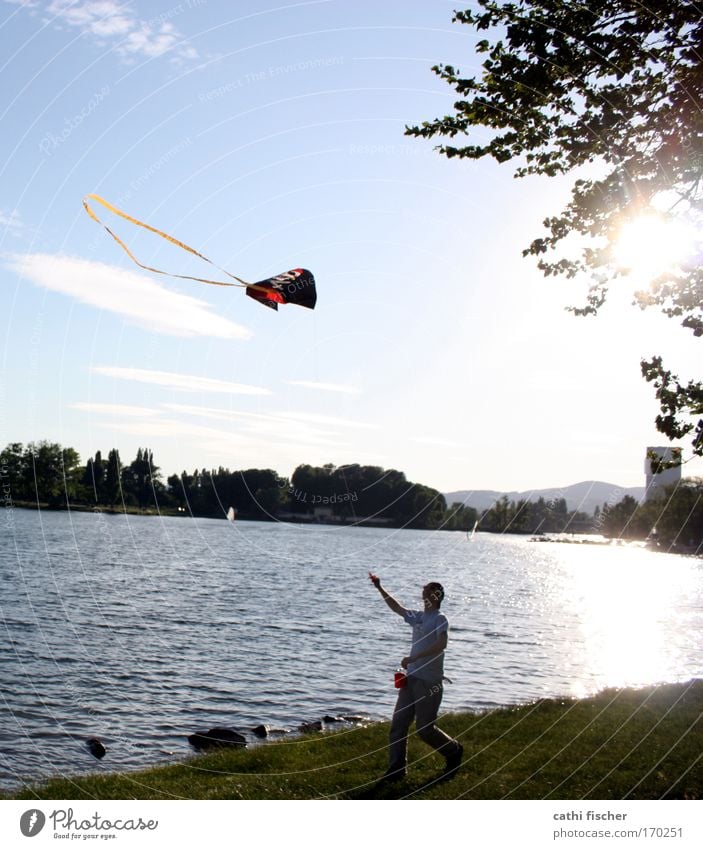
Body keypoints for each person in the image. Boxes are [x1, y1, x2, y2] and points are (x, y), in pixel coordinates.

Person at [369, 572, 463, 782]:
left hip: (430, 683)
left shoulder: (440, 619)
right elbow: (397, 607)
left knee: (424, 729)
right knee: (398, 725)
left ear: (436, 595)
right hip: (411, 680)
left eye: (427, 589)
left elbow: (442, 644)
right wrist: (379, 588)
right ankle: (396, 771)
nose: (422, 592)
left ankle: (454, 751)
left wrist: (414, 658)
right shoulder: (418, 617)